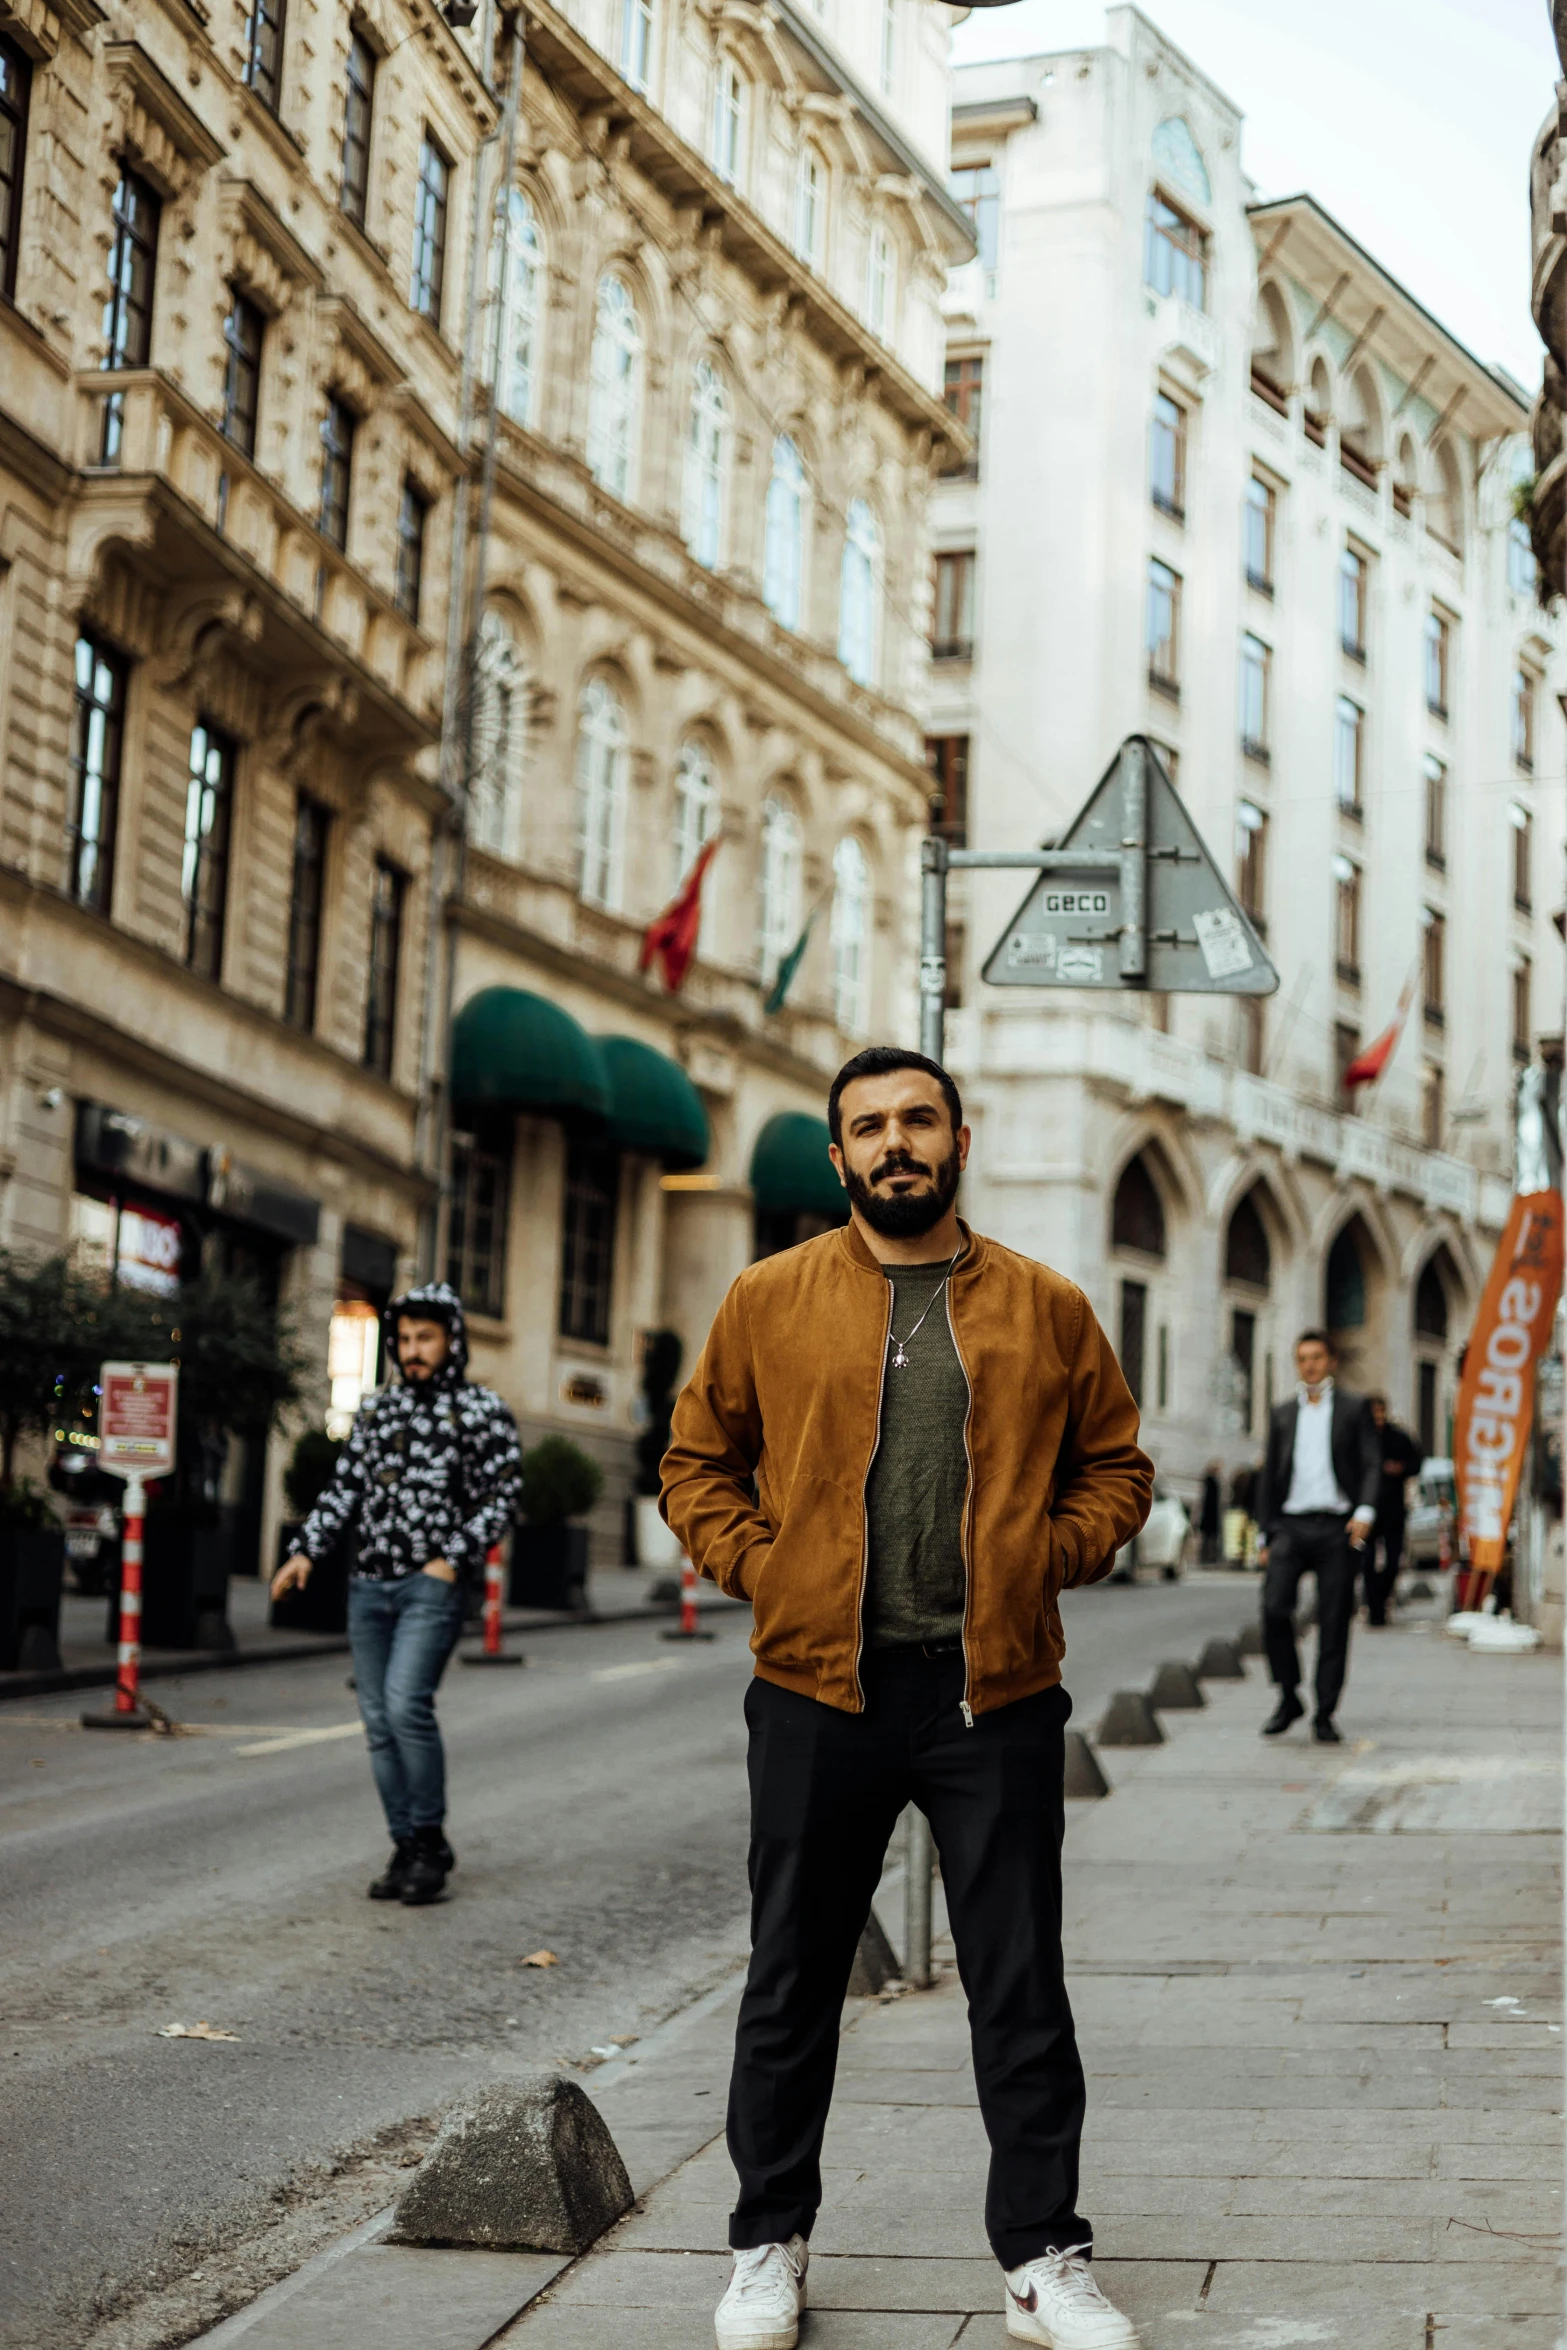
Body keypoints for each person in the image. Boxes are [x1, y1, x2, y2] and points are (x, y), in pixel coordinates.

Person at [661, 1046, 1153, 2350]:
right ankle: (767, 2238)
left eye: (916, 1120)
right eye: (868, 1125)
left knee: (1018, 1979)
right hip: (815, 1690)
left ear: (957, 1139)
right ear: (838, 1157)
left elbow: (1115, 1465)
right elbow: (692, 1462)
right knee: (790, 1975)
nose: (895, 1142)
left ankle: (1041, 2254)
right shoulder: (768, 1298)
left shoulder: (1044, 1306)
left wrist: (1044, 1556)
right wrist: (764, 1572)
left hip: (991, 1694)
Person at [271, 1282, 522, 1904]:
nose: (412, 1350)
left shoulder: (480, 1410)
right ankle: (409, 1845)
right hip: (368, 1586)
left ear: (451, 1340)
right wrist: (304, 1551)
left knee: (407, 1704)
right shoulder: (377, 1410)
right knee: (378, 1722)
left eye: (425, 1338)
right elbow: (345, 1488)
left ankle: (429, 1842)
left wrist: (451, 1561)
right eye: (404, 1338)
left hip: (428, 1588)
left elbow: (504, 1495)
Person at [1254, 1330, 1380, 1745]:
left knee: (1333, 1620)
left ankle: (1325, 1712)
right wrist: (1264, 1533)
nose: (1309, 1365)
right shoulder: (1282, 1413)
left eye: (1316, 1357)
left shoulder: (1353, 1408)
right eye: (1302, 1358)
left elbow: (1370, 1463)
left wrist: (1365, 1510)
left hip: (1336, 1528)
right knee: (1274, 1608)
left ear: (1332, 1362)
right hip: (1290, 1526)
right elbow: (1270, 1475)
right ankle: (1289, 1694)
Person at [1361, 1396, 1421, 1626]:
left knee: (1394, 1561)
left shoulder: (1399, 1437)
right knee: (1366, 1562)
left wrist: (1401, 1468)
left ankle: (1382, 1598)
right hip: (1366, 1510)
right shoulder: (1361, 1438)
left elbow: (1416, 1463)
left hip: (1393, 1508)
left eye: (1380, 1412)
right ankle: (1373, 1607)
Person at [1198, 1462, 1222, 1566]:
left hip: (1211, 1513)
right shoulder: (1210, 1482)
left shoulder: (1212, 1481)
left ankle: (1209, 1556)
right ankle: (1206, 1556)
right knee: (1208, 1536)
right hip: (1209, 1513)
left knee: (1210, 1536)